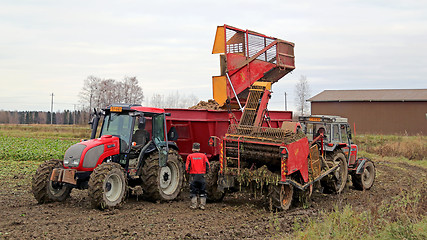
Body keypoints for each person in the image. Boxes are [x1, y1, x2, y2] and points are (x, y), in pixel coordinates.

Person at [186, 142, 210, 210]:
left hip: (193, 176)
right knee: (202, 191)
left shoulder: (190, 156)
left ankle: (194, 205)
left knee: (193, 191)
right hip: (201, 176)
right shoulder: (203, 156)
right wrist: (206, 172)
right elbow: (207, 165)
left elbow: (187, 167)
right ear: (199, 149)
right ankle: (202, 205)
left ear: (193, 149)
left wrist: (188, 172)